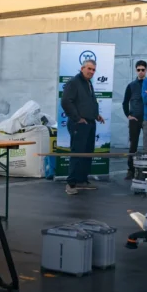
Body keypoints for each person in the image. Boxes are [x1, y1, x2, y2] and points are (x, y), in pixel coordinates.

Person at [60, 59, 105, 195]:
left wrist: (96, 115)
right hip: (79, 124)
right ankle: (71, 183)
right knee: (77, 152)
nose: (91, 72)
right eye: (89, 69)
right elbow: (66, 101)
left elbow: (90, 102)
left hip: (90, 123)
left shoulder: (88, 83)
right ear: (82, 68)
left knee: (87, 153)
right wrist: (78, 118)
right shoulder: (74, 82)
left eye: (93, 70)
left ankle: (82, 181)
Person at [121, 59, 147, 179]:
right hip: (135, 119)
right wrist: (128, 115)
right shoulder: (131, 86)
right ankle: (130, 170)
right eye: (138, 70)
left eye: (143, 70)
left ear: (146, 70)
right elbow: (125, 102)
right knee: (133, 146)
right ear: (136, 70)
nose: (141, 72)